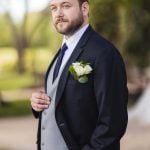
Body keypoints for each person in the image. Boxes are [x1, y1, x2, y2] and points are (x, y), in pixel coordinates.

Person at [30, 0, 128, 149]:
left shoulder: (105, 54)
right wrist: (38, 104)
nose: (59, 13)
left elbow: (113, 122)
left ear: (84, 8)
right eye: (53, 8)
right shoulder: (62, 52)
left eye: (66, 6)